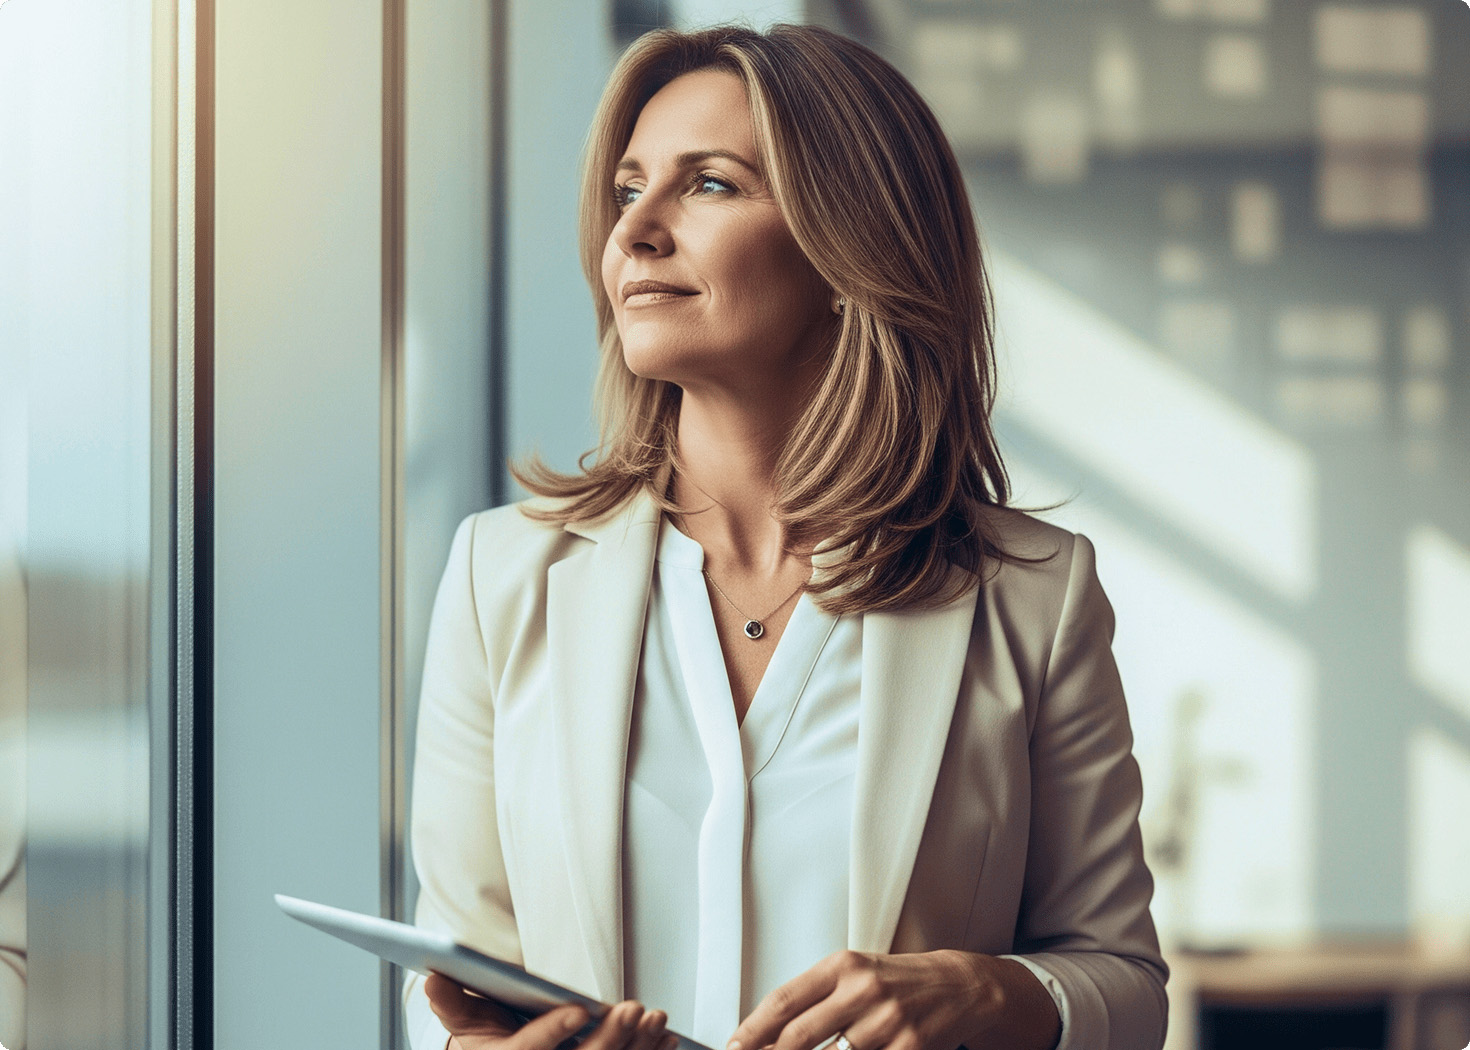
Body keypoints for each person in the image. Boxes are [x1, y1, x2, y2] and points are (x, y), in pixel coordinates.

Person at [403, 22, 1166, 1050]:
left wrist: (987, 994)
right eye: (629, 191)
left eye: (707, 185)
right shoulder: (503, 576)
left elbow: (1125, 984)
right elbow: (453, 983)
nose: (633, 233)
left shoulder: (1033, 593)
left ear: (852, 241)